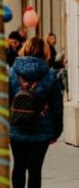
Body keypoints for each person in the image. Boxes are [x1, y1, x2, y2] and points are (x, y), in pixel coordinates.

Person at [9, 37, 63, 188]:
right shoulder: (50, 74)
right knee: (35, 170)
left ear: (25, 49)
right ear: (44, 52)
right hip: (41, 129)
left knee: (18, 166)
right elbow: (57, 106)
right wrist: (56, 131)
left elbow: (3, 102)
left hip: (17, 128)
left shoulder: (12, 73)